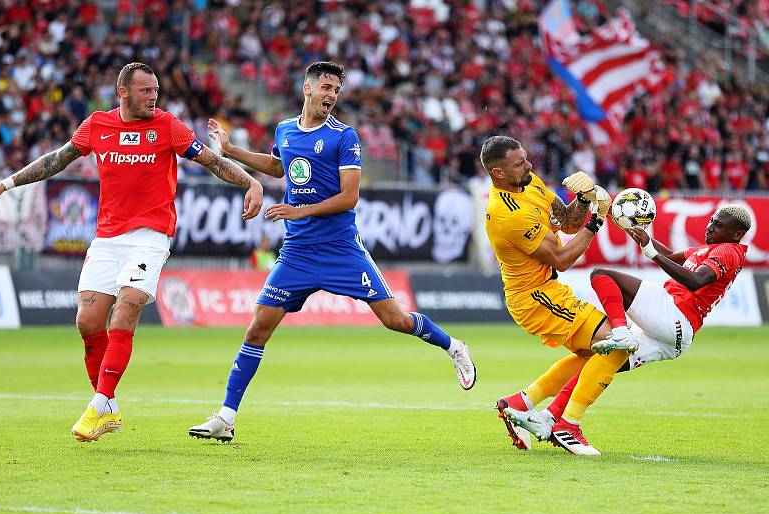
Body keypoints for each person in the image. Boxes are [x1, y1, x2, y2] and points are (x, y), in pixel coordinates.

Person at [0, 62, 264, 442]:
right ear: (123, 92)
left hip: (150, 236)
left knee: (126, 308)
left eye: (156, 90)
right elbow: (55, 160)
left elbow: (211, 161)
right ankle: (108, 408)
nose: (153, 97)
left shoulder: (169, 126)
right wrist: (7, 184)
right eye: (146, 91)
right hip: (107, 238)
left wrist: (249, 182)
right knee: (88, 322)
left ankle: (98, 404)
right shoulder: (96, 124)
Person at [188, 61, 476, 443]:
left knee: (395, 320)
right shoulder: (286, 129)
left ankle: (453, 346)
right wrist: (229, 149)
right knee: (258, 326)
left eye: (336, 90)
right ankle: (226, 416)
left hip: (341, 249)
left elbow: (349, 197)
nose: (331, 95)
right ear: (307, 88)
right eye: (326, 87)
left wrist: (298, 210)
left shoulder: (345, 136)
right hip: (297, 252)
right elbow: (279, 166)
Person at [502, 205, 751, 444]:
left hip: (674, 313)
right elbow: (669, 256)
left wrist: (651, 253)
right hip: (675, 335)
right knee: (598, 363)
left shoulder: (728, 251)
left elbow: (696, 281)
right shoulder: (711, 249)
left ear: (736, 234)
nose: (710, 227)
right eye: (711, 221)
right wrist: (643, 239)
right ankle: (554, 419)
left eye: (718, 225)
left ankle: (620, 330)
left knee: (603, 275)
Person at [480, 135, 637, 456]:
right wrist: (597, 219)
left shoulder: (529, 183)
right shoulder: (508, 215)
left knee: (596, 354)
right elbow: (563, 259)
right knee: (615, 347)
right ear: (498, 174)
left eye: (525, 158)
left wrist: (582, 198)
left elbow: (565, 223)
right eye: (519, 163)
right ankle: (566, 425)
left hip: (546, 290)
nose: (528, 165)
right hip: (534, 297)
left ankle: (518, 404)